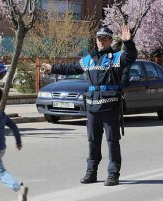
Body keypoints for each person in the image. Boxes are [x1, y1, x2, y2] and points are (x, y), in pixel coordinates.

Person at [42, 25, 137, 186]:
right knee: (93, 141)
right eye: (99, 38)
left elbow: (130, 57)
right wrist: (53, 68)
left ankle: (113, 174)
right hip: (92, 107)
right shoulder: (89, 59)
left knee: (112, 141)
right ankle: (91, 172)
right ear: (96, 40)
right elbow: (71, 68)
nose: (101, 41)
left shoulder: (116, 57)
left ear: (110, 40)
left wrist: (128, 43)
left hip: (110, 106)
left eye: (105, 39)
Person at [0, 85, 28, 201]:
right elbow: (14, 126)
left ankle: (18, 187)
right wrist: (18, 141)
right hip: (0, 148)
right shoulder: (0, 113)